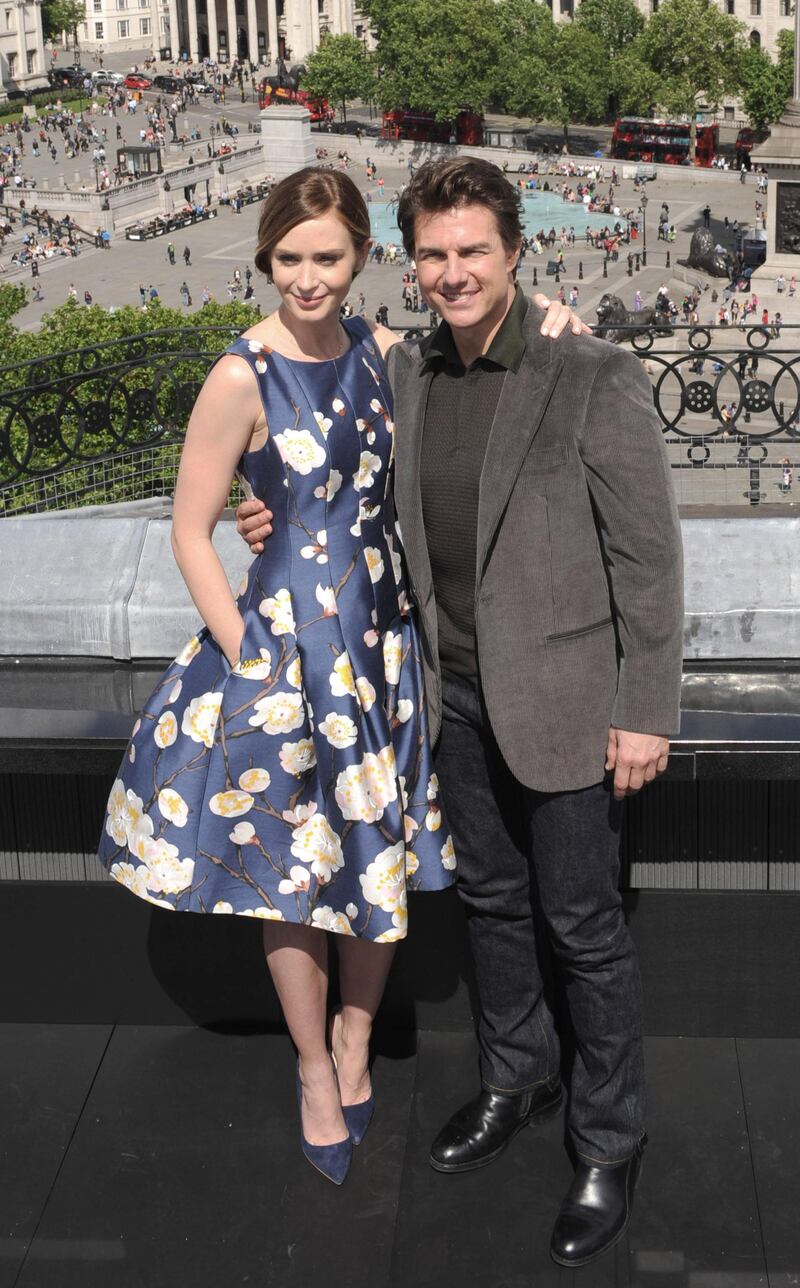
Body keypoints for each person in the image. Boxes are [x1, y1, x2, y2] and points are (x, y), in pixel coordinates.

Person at [237, 157, 684, 1266]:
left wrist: (644, 709)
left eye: (471, 250)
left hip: (571, 703)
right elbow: (322, 463)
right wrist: (265, 513)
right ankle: (516, 1078)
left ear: (514, 251)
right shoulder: (409, 374)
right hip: (452, 695)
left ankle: (608, 1138)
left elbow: (648, 559)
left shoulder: (590, 372)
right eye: (432, 254)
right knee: (489, 905)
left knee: (583, 927)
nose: (451, 272)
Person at [96, 167, 574, 1191]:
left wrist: (552, 314)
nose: (307, 280)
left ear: (360, 257)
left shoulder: (385, 352)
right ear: (265, 260)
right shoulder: (240, 374)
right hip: (286, 664)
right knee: (292, 879)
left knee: (372, 863)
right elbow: (188, 528)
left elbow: (486, 354)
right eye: (288, 260)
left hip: (382, 652)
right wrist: (246, 649)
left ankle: (356, 1036)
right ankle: (315, 1066)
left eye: (326, 258)